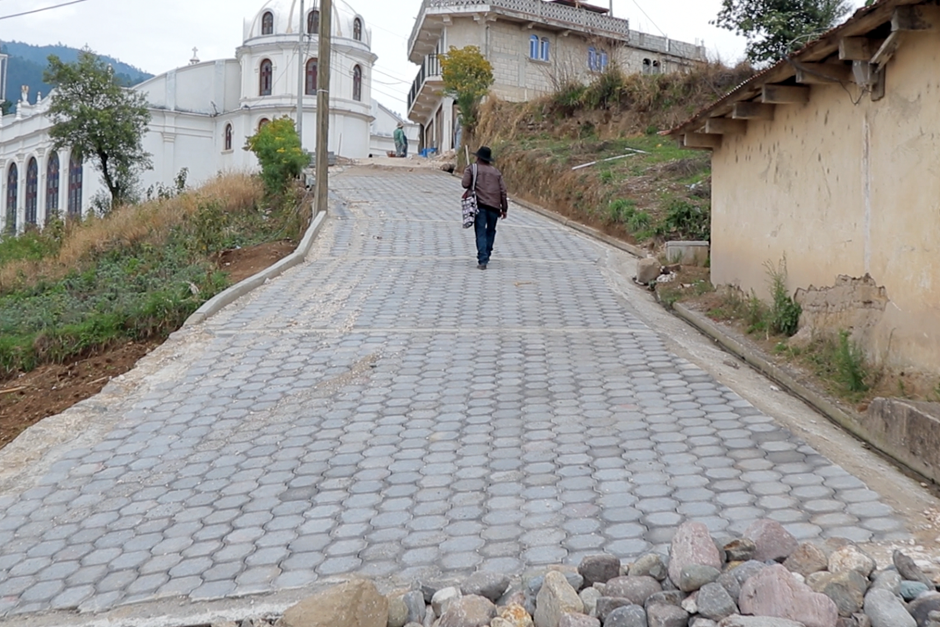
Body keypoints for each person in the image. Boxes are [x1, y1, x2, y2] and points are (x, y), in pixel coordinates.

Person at [462, 146, 508, 270]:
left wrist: (468, 173)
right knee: (491, 231)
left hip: (479, 206)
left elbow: (465, 184)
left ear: (478, 157)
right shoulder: (496, 172)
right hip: (494, 207)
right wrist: (504, 208)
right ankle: (487, 253)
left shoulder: (472, 168)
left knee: (480, 232)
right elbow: (503, 191)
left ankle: (483, 259)